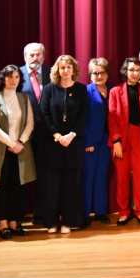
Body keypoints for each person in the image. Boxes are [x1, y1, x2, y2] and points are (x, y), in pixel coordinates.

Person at [0, 64, 35, 239]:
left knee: (18, 187)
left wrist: (20, 141)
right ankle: (3, 224)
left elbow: (30, 123)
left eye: (17, 77)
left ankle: (15, 222)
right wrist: (10, 143)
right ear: (3, 78)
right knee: (2, 187)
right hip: (1, 150)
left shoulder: (23, 97)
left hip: (21, 149)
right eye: (10, 76)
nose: (13, 80)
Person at [39, 55, 89, 233]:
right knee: (52, 186)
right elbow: (43, 114)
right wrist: (57, 134)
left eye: (69, 67)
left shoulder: (82, 90)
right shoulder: (48, 90)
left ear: (74, 70)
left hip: (74, 144)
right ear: (57, 71)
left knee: (71, 184)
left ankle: (68, 221)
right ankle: (52, 222)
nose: (65, 71)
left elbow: (84, 115)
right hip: (53, 144)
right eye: (62, 68)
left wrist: (72, 135)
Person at [108, 57, 140, 225]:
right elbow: (112, 118)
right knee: (122, 177)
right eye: (132, 70)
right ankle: (124, 211)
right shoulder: (115, 91)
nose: (135, 73)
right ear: (125, 72)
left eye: (138, 70)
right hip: (121, 137)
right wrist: (116, 140)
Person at [19, 42, 47, 222]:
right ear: (25, 56)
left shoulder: (53, 73)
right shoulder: (16, 75)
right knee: (22, 175)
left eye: (38, 55)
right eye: (31, 55)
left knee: (45, 175)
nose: (34, 58)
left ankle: (41, 213)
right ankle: (18, 216)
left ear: (43, 57)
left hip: (47, 133)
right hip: (22, 135)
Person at [83, 58, 112, 224]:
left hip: (108, 141)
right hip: (91, 141)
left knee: (101, 176)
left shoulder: (113, 90)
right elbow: (82, 120)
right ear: (90, 75)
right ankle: (85, 213)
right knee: (88, 177)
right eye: (96, 73)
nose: (99, 75)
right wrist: (87, 142)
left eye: (102, 72)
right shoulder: (86, 91)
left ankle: (100, 211)